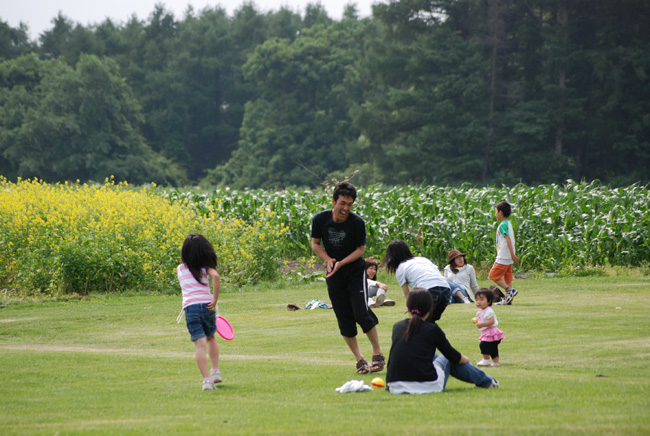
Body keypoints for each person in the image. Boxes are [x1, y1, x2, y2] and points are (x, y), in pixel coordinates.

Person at [311, 182, 385, 374]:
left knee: (361, 312)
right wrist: (327, 260)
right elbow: (315, 244)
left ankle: (377, 354)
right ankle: (360, 359)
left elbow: (361, 250)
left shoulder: (357, 223)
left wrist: (342, 262)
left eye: (350, 204)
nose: (345, 208)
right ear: (334, 201)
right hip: (333, 274)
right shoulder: (320, 219)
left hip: (353, 271)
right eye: (342, 203)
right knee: (343, 317)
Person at [386, 288, 499, 394]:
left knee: (434, 356)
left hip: (394, 386)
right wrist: (464, 359)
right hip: (427, 386)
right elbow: (451, 356)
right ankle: (488, 381)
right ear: (430, 308)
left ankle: (487, 381)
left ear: (408, 307)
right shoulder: (432, 329)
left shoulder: (397, 326)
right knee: (446, 358)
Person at [177, 233, 223, 391]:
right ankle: (215, 371)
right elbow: (215, 276)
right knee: (211, 337)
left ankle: (207, 380)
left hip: (191, 308)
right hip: (207, 305)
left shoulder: (180, 269)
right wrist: (214, 300)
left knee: (199, 345)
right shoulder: (205, 268)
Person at [382, 240, 451, 322]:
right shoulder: (423, 259)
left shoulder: (401, 268)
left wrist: (410, 306)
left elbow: (407, 294)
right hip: (446, 289)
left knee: (420, 322)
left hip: (429, 291)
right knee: (430, 320)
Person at [488, 201, 520, 305]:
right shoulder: (508, 224)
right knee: (507, 277)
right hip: (508, 257)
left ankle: (510, 291)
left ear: (500, 212)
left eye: (496, 211)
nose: (495, 214)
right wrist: (512, 255)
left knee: (493, 276)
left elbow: (508, 239)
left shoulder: (502, 225)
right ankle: (508, 300)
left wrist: (512, 254)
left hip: (503, 256)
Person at [473, 288, 505, 367]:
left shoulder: (488, 311)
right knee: (492, 348)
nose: (478, 302)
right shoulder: (480, 312)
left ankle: (486, 360)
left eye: (481, 299)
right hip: (487, 332)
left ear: (489, 301)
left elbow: (492, 321)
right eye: (477, 300)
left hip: (491, 332)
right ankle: (495, 362)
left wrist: (482, 324)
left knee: (484, 345)